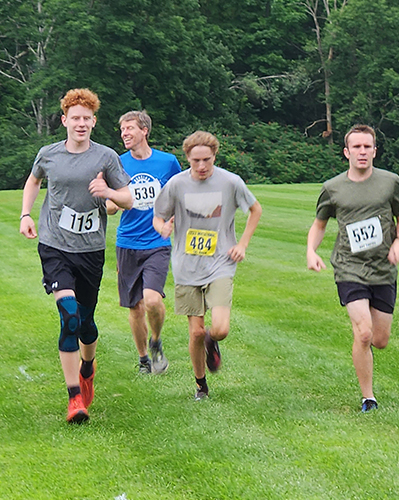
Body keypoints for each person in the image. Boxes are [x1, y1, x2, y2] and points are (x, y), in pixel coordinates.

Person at [19, 88, 133, 423]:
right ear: (64, 120)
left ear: (94, 122)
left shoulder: (106, 157)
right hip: (55, 246)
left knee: (85, 322)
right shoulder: (49, 154)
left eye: (87, 118)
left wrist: (108, 191)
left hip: (90, 250)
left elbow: (127, 199)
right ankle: (74, 399)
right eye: (75, 118)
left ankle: (87, 366)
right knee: (68, 315)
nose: (81, 123)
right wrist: (26, 215)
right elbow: (33, 181)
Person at [306, 124, 399, 413]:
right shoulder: (332, 188)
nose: (362, 152)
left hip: (383, 268)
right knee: (364, 333)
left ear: (375, 150)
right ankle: (368, 397)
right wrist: (310, 251)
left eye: (368, 146)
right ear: (346, 152)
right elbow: (319, 225)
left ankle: (363, 336)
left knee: (379, 340)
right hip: (349, 267)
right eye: (357, 147)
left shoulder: (390, 182)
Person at [153, 131, 262, 401]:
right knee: (196, 332)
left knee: (219, 328)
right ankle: (201, 385)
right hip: (186, 267)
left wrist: (243, 244)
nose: (202, 166)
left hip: (220, 264)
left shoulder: (230, 182)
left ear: (215, 156)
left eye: (207, 160)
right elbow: (158, 216)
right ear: (187, 158)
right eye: (196, 161)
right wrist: (163, 227)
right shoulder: (177, 185)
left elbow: (255, 209)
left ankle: (214, 343)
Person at [107, 110, 182, 374]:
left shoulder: (168, 162)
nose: (124, 133)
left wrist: (172, 219)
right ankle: (143, 360)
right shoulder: (118, 163)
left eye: (129, 128)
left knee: (151, 300)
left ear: (144, 130)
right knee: (135, 307)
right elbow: (109, 204)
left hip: (157, 242)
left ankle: (156, 341)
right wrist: (111, 202)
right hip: (127, 242)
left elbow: (179, 194)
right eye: (122, 130)